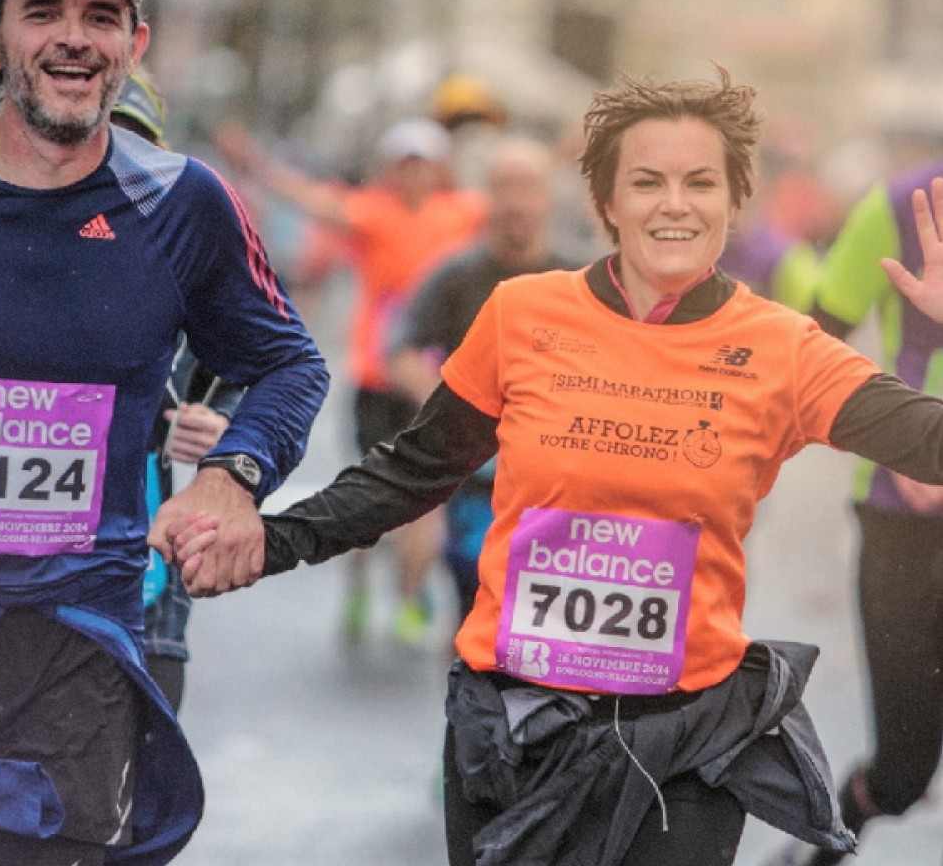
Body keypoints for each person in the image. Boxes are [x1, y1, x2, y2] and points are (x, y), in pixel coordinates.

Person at [157, 65, 943, 866]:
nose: (675, 203)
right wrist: (271, 539)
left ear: (735, 201)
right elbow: (411, 472)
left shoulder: (782, 348)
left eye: (701, 182)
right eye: (647, 181)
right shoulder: (523, 314)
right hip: (515, 732)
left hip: (685, 745)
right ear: (606, 201)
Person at [0, 0, 329, 865]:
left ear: (133, 47)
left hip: (74, 644)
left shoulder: (182, 203)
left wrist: (232, 477)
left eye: (102, 16)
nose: (74, 36)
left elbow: (288, 364)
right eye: (44, 12)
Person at [215, 115, 486, 646]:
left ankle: (408, 599)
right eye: (406, 165)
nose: (415, 175)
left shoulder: (459, 214)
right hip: (377, 378)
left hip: (436, 382)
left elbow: (523, 198)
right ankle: (361, 586)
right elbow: (315, 202)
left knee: (428, 501)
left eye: (424, 165)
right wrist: (258, 167)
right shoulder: (374, 213)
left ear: (439, 171)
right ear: (392, 170)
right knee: (369, 494)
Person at [763, 155, 943, 866]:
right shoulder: (900, 204)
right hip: (903, 516)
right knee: (902, 771)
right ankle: (824, 843)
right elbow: (812, 343)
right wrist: (897, 444)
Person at [390, 134, 576, 624]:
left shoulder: (582, 278)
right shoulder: (455, 275)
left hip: (559, 482)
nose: (516, 202)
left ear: (549, 196)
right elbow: (402, 354)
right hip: (476, 479)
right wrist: (461, 405)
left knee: (542, 623)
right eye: (503, 187)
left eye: (527, 187)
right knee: (474, 610)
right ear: (484, 197)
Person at [111, 69, 245, 713]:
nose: (113, 157)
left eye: (134, 142)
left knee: (147, 743)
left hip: (147, 562)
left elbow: (268, 373)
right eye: (102, 136)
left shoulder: (189, 259)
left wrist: (227, 438)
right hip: (5, 561)